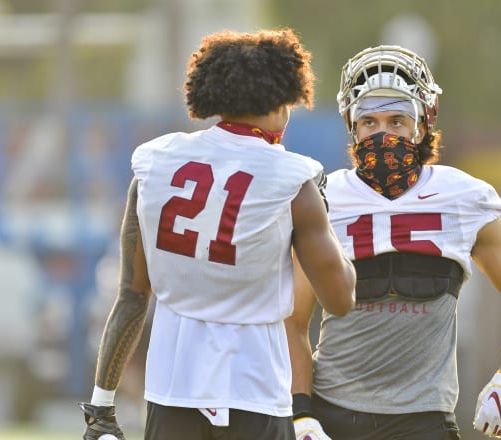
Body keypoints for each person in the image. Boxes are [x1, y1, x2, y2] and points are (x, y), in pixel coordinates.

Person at [78, 28, 356, 440]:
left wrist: (101, 405)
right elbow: (341, 298)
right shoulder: (294, 178)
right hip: (255, 388)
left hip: (172, 388)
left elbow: (133, 295)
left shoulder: (155, 161)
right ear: (282, 101)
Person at [286, 45, 501, 440]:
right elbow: (294, 320)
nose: (382, 134)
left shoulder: (463, 196)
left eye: (396, 121)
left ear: (421, 125)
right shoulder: (323, 199)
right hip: (335, 415)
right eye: (369, 122)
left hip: (425, 419)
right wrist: (300, 414)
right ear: (352, 127)